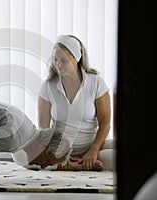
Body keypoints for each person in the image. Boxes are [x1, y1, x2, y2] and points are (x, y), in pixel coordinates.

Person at [37, 34, 115, 171]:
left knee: (126, 154)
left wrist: (94, 151)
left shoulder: (96, 82)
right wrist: (58, 153)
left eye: (64, 60)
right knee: (21, 156)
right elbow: (43, 126)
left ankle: (80, 163)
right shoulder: (48, 86)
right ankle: (76, 164)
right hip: (59, 150)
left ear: (77, 59)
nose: (58, 65)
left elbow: (105, 123)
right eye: (55, 60)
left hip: (92, 146)